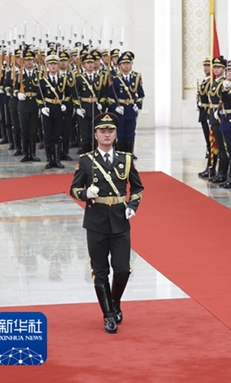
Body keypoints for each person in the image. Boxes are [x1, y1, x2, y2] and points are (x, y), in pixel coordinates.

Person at [69, 112, 144, 333]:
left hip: (120, 220)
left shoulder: (126, 159)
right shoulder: (85, 160)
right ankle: (108, 314)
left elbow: (138, 188)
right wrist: (85, 194)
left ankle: (115, 301)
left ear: (115, 134)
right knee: (99, 271)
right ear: (96, 134)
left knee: (122, 269)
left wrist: (132, 206)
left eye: (110, 131)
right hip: (96, 221)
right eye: (103, 131)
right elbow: (73, 189)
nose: (107, 134)